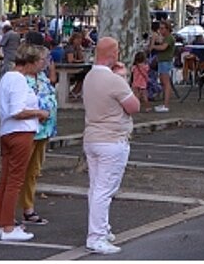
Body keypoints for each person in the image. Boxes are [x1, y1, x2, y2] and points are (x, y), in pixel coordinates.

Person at [82, 36, 140, 254]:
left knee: (96, 187)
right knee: (104, 190)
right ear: (114, 54)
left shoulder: (89, 77)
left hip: (93, 137)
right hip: (112, 139)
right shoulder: (114, 81)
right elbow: (134, 106)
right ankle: (96, 236)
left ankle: (101, 229)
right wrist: (123, 78)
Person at [0, 45, 50, 242]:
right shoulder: (18, 79)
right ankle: (8, 226)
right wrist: (39, 113)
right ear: (30, 63)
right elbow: (17, 110)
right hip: (20, 132)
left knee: (7, 179)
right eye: (39, 62)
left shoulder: (8, 77)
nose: (41, 67)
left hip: (8, 132)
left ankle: (0, 222)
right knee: (15, 181)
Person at [18, 45, 58, 226]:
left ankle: (28, 207)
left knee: (34, 171)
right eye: (44, 60)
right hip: (28, 129)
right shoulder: (20, 79)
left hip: (44, 130)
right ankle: (15, 209)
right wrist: (38, 113)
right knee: (20, 171)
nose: (47, 63)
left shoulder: (41, 77)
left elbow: (52, 85)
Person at [150, 20, 176, 112]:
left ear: (167, 29)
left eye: (162, 28)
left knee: (166, 83)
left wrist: (153, 46)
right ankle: (164, 103)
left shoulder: (169, 38)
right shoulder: (165, 37)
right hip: (162, 61)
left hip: (165, 61)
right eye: (159, 28)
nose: (160, 30)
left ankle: (166, 105)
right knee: (163, 82)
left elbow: (163, 47)